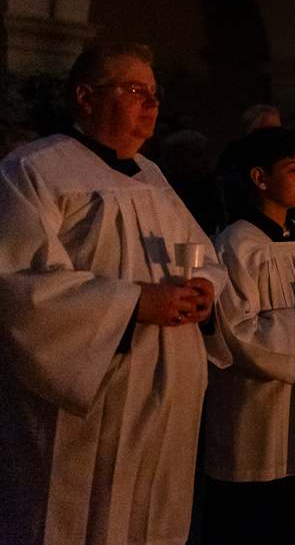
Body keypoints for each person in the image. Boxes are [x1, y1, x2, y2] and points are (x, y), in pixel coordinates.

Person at [0, 43, 230, 545]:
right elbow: (19, 281)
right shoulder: (35, 169)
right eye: (133, 89)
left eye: (154, 91)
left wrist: (206, 288)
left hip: (164, 393)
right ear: (86, 97)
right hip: (93, 399)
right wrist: (134, 302)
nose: (151, 102)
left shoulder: (152, 175)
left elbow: (203, 255)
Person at [202, 127, 295, 545]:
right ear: (259, 177)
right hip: (256, 403)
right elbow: (233, 330)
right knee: (253, 514)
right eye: (292, 169)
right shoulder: (235, 245)